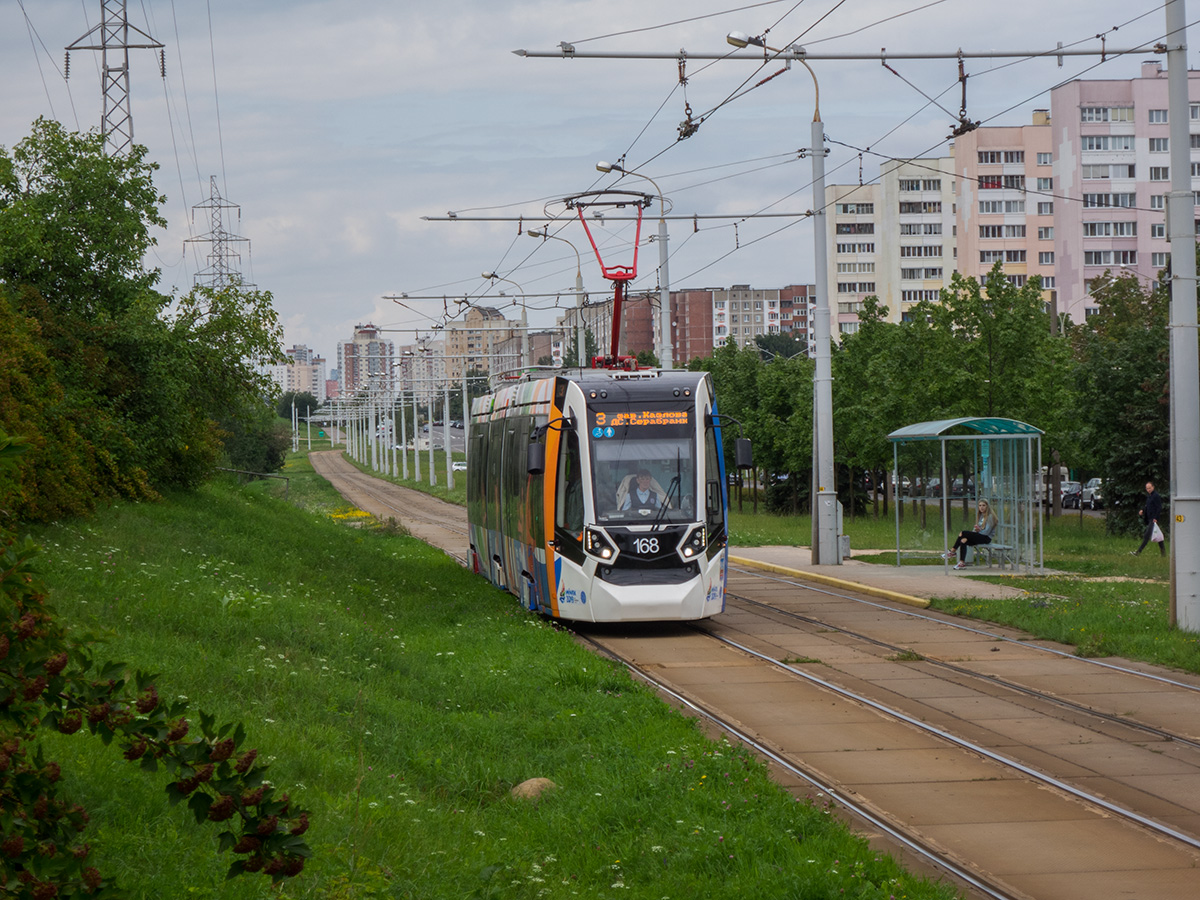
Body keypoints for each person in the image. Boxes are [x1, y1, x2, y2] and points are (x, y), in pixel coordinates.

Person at [943, 499, 998, 570]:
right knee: (963, 540)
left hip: (986, 538)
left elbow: (986, 532)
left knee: (963, 533)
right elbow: (975, 529)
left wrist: (978, 530)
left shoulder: (990, 517)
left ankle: (952, 551)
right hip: (980, 536)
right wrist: (976, 530)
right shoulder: (981, 516)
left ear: (987, 506)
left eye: (983, 505)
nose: (981, 507)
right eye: (980, 505)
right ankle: (961, 563)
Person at [1132, 480, 1166, 557]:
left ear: (1153, 487)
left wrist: (1156, 518)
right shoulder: (1149, 496)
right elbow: (1147, 506)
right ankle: (1163, 554)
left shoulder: (1156, 496)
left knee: (1147, 536)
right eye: (1147, 488)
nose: (1148, 490)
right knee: (1159, 537)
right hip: (1150, 518)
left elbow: (1159, 507)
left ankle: (1138, 552)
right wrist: (1143, 510)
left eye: (1150, 488)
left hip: (1153, 519)